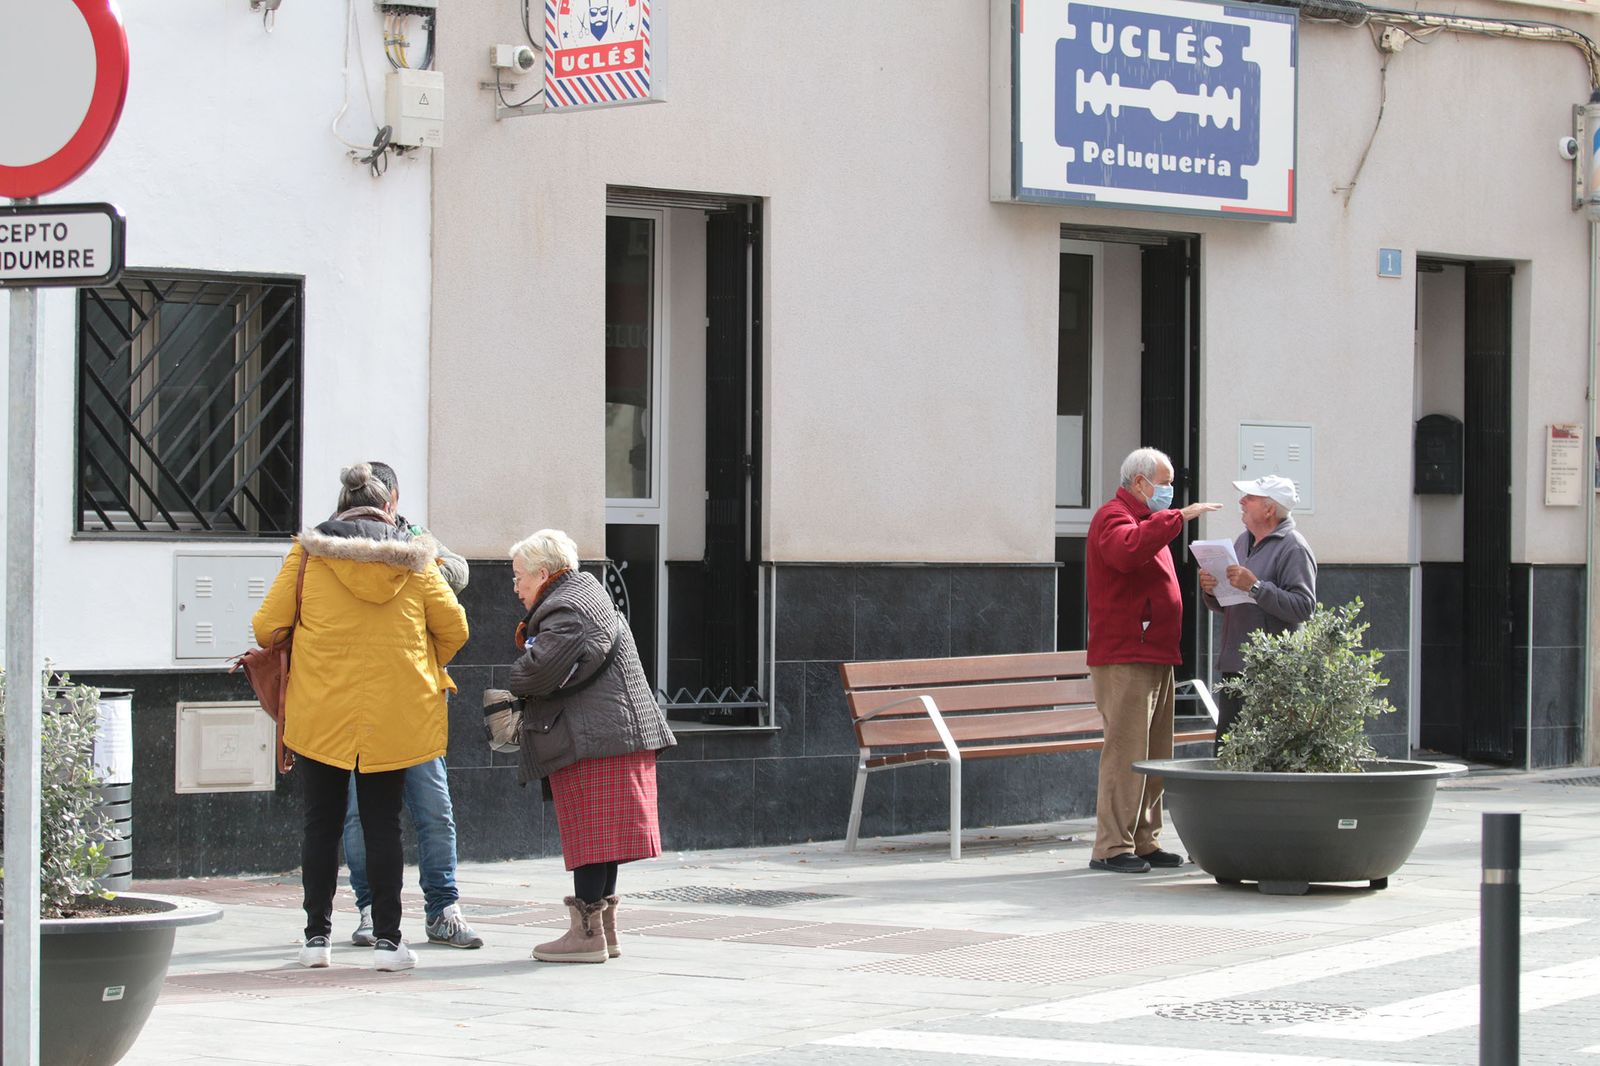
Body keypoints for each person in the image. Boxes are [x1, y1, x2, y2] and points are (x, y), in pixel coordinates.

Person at [254, 463, 469, 971]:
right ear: (389, 505)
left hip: (320, 710)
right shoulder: (417, 561)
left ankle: (315, 940)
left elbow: (267, 627)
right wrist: (417, 658)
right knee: (383, 825)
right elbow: (455, 629)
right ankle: (391, 944)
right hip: (397, 713)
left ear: (342, 502)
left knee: (321, 825)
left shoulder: (308, 554)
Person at [506, 529, 676, 963]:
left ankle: (586, 936)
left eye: (519, 576)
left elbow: (537, 673)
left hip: (596, 738)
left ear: (543, 574)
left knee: (591, 835)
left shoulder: (567, 606)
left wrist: (518, 671)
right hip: (614, 732)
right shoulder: (585, 596)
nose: (516, 587)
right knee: (604, 839)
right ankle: (604, 932)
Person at [341, 461, 482, 951]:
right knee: (363, 815)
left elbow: (459, 574)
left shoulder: (414, 538)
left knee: (432, 810)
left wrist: (424, 552)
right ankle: (368, 908)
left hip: (412, 700)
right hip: (365, 702)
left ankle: (442, 908)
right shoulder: (335, 543)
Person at [1085, 447, 1219, 874]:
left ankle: (1144, 840)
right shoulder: (1114, 517)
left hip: (1156, 652)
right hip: (1127, 654)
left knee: (1155, 753)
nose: (1170, 491)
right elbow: (1126, 552)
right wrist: (1177, 517)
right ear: (1139, 482)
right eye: (1164, 483)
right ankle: (1111, 847)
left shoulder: (1145, 520)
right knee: (1126, 752)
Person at [1198, 474, 1317, 753]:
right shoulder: (1243, 541)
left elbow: (1303, 607)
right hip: (1235, 666)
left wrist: (1256, 587)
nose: (1242, 501)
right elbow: (1231, 603)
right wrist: (1212, 591)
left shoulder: (1294, 547)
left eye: (1249, 498)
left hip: (1269, 674)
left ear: (1269, 509)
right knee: (1229, 754)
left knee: (1262, 756)